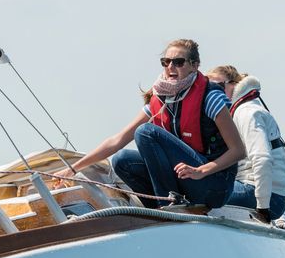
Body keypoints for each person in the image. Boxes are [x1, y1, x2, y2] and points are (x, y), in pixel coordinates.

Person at [53, 39, 245, 209]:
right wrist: (72, 169)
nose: (171, 67)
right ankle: (158, 208)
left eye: (178, 62)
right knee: (122, 160)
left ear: (194, 66)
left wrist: (200, 171)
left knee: (145, 132)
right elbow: (117, 140)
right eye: (166, 62)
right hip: (186, 179)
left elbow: (238, 151)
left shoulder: (210, 97)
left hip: (213, 184)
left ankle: (168, 205)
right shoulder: (161, 100)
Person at [206, 65, 285, 224]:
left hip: (262, 196)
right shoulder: (240, 112)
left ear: (234, 85)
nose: (212, 92)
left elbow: (263, 160)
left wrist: (264, 210)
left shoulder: (247, 113)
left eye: (217, 86)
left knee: (197, 192)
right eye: (209, 88)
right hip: (264, 194)